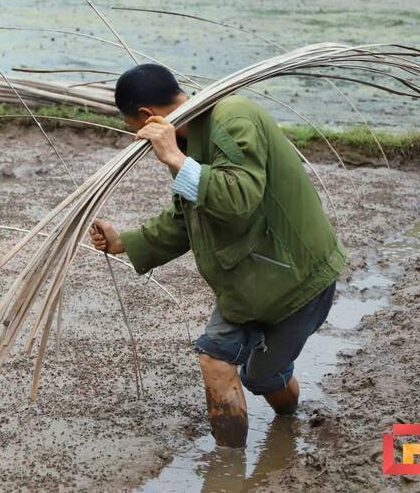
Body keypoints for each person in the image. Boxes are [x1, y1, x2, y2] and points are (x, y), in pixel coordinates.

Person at [89, 64, 346, 448]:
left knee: (260, 377)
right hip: (247, 284)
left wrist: (175, 159)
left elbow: (238, 199)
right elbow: (185, 221)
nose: (139, 138)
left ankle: (290, 421)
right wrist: (122, 242)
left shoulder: (231, 117)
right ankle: (228, 469)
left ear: (147, 117)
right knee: (214, 359)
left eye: (135, 129)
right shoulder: (191, 139)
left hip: (297, 280)